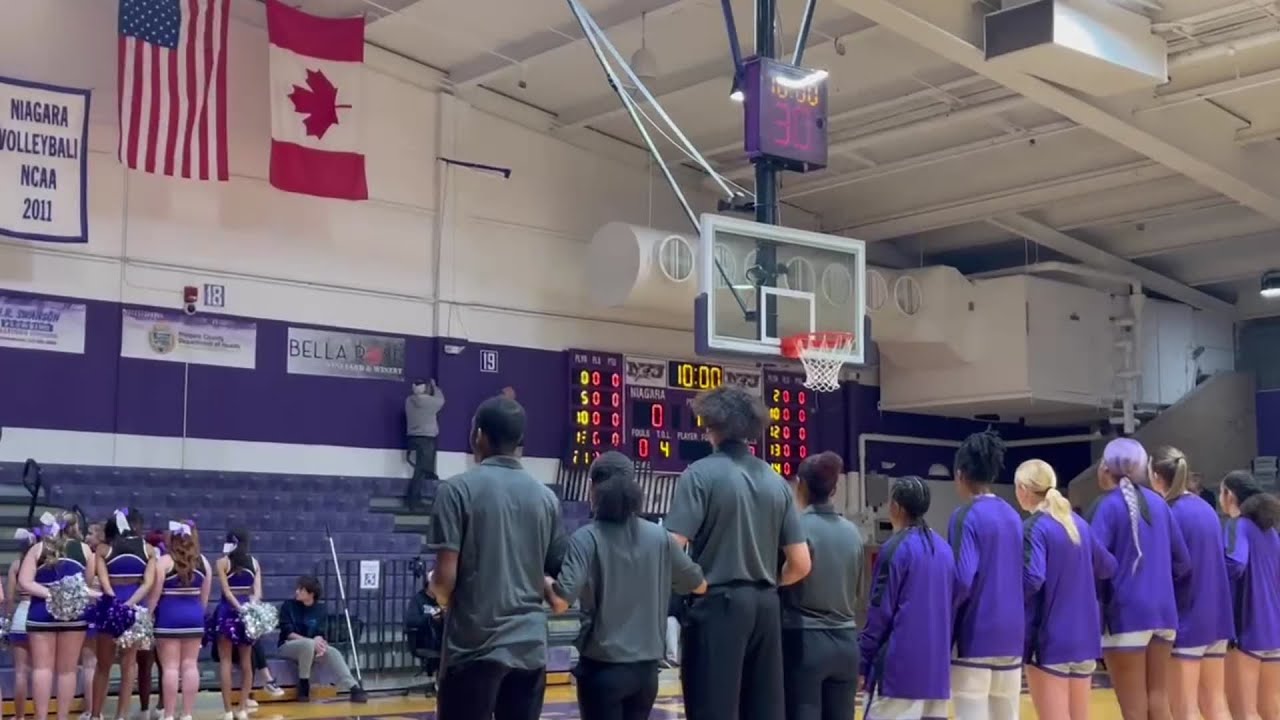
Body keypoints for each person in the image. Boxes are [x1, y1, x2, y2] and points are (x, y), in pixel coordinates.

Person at [663, 385, 812, 720]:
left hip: (718, 605)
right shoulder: (777, 482)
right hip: (766, 608)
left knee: (712, 709)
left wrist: (696, 583)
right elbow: (801, 563)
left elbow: (670, 547)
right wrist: (768, 582)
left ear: (711, 424)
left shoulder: (700, 474)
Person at [428, 394, 567, 720]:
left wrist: (436, 591)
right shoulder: (546, 498)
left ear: (479, 436)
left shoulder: (456, 490)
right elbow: (560, 576)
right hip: (530, 649)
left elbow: (445, 580)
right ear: (520, 441)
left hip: (473, 648)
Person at [546, 452, 706, 720]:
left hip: (602, 670)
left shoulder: (586, 538)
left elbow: (561, 601)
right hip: (646, 675)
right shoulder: (661, 537)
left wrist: (543, 579)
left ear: (593, 488)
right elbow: (699, 585)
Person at [1087, 438, 1190, 720]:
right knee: (1158, 701)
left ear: (1106, 468)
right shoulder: (1160, 504)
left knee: (1133, 709)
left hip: (1126, 614)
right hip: (1165, 614)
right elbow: (1183, 562)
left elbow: (1093, 562)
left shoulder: (1105, 507)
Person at [1015, 459, 1116, 720]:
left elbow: (1033, 578)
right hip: (1085, 638)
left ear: (1023, 489)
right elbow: (1108, 566)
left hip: (1050, 640)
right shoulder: (1080, 525)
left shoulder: (1034, 528)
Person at [859, 476, 954, 720]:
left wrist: (862, 663)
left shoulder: (895, 548)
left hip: (898, 673)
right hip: (937, 675)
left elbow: (879, 613)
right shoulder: (944, 549)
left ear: (896, 507)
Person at [1150, 447, 1233, 720]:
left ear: (1156, 476)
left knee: (1185, 708)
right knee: (1216, 704)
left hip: (1188, 618)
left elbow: (1170, 569)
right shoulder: (1206, 509)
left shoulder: (1167, 513)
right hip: (1218, 618)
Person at [780, 452, 864, 720]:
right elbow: (858, 590)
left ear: (800, 485)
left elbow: (780, 581)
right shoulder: (853, 533)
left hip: (805, 641)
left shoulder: (796, 528)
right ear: (835, 489)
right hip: (847, 643)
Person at [949, 430, 1025, 720]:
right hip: (1013, 636)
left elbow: (963, 578)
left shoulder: (965, 515)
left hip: (976, 634)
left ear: (960, 474)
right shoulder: (1013, 515)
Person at [21, 511, 94, 720]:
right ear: (75, 527)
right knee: (68, 671)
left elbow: (24, 582)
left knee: (42, 668)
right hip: (74, 614)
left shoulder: (38, 547)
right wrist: (64, 595)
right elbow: (87, 584)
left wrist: (50, 594)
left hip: (41, 612)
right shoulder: (85, 550)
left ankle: (41, 717)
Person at [1219, 470, 1280, 720]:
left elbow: (1235, 564)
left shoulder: (1237, 525)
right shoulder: (1271, 532)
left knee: (1244, 711)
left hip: (1248, 628)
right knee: (1272, 709)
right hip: (1275, 629)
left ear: (1229, 495)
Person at [90, 509, 154, 720]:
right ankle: (121, 716)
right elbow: (147, 583)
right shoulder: (149, 550)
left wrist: (115, 602)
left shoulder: (103, 549)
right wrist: (130, 604)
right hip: (134, 607)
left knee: (103, 666)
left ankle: (96, 715)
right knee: (129, 666)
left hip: (111, 606)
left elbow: (104, 580)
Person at [147, 520, 209, 720]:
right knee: (191, 665)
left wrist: (146, 617)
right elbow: (204, 599)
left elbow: (154, 597)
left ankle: (169, 715)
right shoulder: (204, 563)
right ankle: (188, 714)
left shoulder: (164, 562)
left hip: (168, 619)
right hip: (194, 618)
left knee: (171, 667)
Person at [276, 576, 366, 702]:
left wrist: (320, 642)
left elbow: (320, 632)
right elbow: (288, 632)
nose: (297, 591)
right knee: (307, 644)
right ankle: (304, 685)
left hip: (311, 647)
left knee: (332, 652)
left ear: (311, 594)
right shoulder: (288, 606)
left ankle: (353, 687)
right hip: (288, 646)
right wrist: (312, 642)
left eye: (301, 589)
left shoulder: (320, 609)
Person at [213, 530, 260, 720]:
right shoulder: (255, 563)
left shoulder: (222, 562)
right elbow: (257, 593)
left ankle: (227, 711)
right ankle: (242, 709)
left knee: (226, 661)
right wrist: (249, 609)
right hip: (247, 613)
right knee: (246, 662)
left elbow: (226, 591)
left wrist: (238, 608)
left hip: (227, 612)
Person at [8, 527, 38, 720]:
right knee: (40, 671)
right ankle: (39, 714)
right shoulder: (43, 565)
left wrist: (8, 617)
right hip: (39, 618)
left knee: (20, 672)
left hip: (20, 617)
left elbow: (9, 599)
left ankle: (19, 717)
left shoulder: (16, 565)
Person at [405, 379, 445, 511]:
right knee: (420, 470)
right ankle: (413, 500)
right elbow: (441, 400)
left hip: (412, 437)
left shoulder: (409, 401)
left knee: (421, 469)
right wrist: (434, 387)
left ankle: (415, 498)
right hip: (426, 438)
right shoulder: (429, 402)